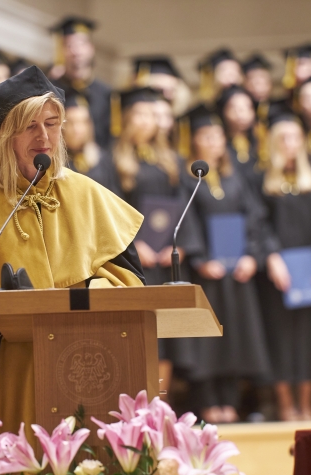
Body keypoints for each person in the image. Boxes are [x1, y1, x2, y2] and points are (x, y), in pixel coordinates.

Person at [0, 66, 145, 434]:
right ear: (7, 134)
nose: (44, 137)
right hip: (2, 368)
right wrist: (9, 314)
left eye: (52, 124)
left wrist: (83, 301)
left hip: (85, 356)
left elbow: (129, 278)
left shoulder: (88, 196)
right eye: (30, 126)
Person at [98, 86, 201, 400]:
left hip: (163, 261)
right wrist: (134, 246)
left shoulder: (170, 160)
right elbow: (109, 210)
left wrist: (179, 245)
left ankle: (161, 403)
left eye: (150, 115)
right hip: (134, 262)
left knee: (165, 336)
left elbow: (183, 207)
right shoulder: (112, 162)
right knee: (140, 332)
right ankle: (137, 403)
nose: (146, 121)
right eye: (139, 114)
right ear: (127, 118)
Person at [180, 104, 271, 424]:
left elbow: (255, 219)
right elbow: (186, 219)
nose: (214, 141)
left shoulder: (235, 177)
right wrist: (201, 258)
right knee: (205, 338)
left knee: (235, 335)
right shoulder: (188, 176)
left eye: (218, 136)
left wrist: (252, 255)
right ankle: (208, 401)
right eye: (207, 136)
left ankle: (230, 400)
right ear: (195, 142)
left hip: (237, 271)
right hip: (208, 273)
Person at [257, 107, 311, 420]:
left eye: (295, 137)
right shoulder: (261, 178)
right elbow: (258, 222)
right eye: (284, 138)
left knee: (310, 337)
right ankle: (284, 404)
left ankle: (305, 403)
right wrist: (271, 256)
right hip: (278, 271)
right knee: (281, 337)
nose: (290, 143)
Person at [50, 17, 112, 149]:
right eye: (69, 45)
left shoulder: (106, 94)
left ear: (91, 48)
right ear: (61, 51)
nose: (76, 51)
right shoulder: (49, 90)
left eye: (81, 44)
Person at [216, 86, 262, 194]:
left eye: (247, 108)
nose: (241, 114)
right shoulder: (220, 146)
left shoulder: (262, 144)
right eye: (234, 108)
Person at [62, 89, 104, 182]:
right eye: (70, 122)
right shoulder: (56, 165)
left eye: (83, 122)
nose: (77, 129)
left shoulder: (101, 159)